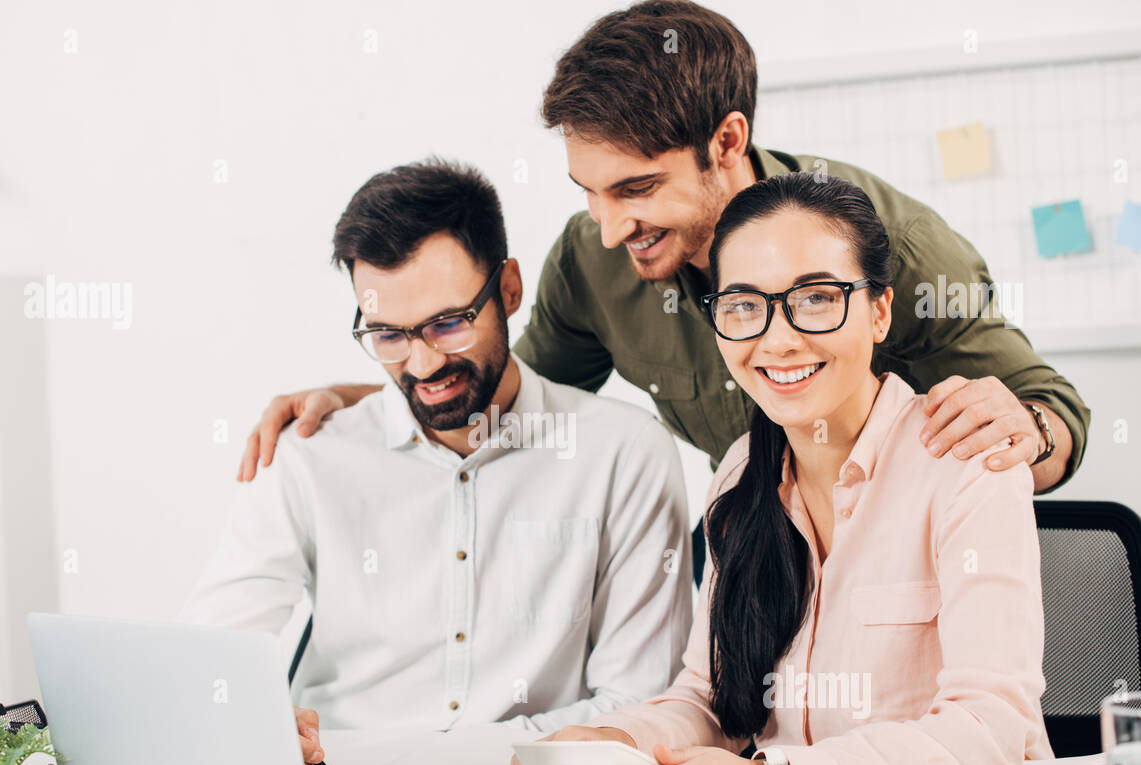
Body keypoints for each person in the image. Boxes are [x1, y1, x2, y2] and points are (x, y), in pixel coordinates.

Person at [237, 1, 1089, 517]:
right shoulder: (595, 258)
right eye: (589, 192)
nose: (609, 229)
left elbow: (1053, 411)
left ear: (727, 142)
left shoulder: (891, 247)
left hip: (906, 579)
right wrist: (380, 392)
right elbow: (524, 403)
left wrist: (1029, 430)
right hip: (753, 569)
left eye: (636, 190)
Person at [498, 172, 1052, 765]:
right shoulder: (740, 475)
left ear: (879, 310)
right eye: (743, 306)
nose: (779, 338)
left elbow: (988, 724)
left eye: (817, 298)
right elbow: (709, 702)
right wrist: (617, 738)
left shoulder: (965, 460)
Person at [179, 159, 693, 765]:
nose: (422, 366)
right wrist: (248, 718)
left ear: (508, 290)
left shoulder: (624, 455)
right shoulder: (308, 456)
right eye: (388, 336)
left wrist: (436, 757)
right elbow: (206, 663)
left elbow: (638, 705)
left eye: (448, 324)